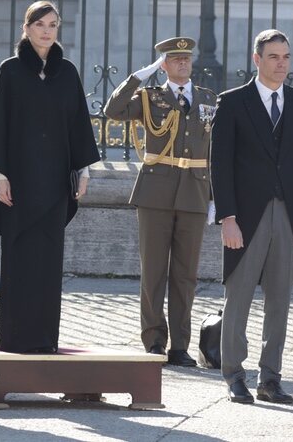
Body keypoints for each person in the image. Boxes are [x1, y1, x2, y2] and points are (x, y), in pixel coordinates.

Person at [0, 1, 100, 353]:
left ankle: (45, 340)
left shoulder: (67, 72)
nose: (47, 31)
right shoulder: (10, 71)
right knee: (18, 260)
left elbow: (77, 127)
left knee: (48, 263)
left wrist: (82, 171)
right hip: (18, 185)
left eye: (53, 25)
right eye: (40, 24)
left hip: (56, 185)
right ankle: (14, 339)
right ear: (26, 28)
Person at [210, 29, 293, 405]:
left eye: (286, 56)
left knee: (280, 300)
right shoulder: (233, 103)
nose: (282, 64)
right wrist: (226, 217)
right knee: (237, 297)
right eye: (274, 56)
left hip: (288, 215)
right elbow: (219, 166)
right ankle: (234, 376)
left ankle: (270, 378)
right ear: (256, 59)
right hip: (245, 216)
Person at [103, 37, 215, 367]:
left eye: (187, 58)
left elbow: (215, 151)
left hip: (194, 192)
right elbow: (113, 111)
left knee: (186, 274)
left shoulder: (208, 100)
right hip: (156, 194)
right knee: (153, 271)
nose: (183, 63)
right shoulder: (150, 98)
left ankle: (180, 345)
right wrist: (138, 77)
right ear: (163, 65)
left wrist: (215, 198)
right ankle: (154, 340)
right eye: (174, 59)